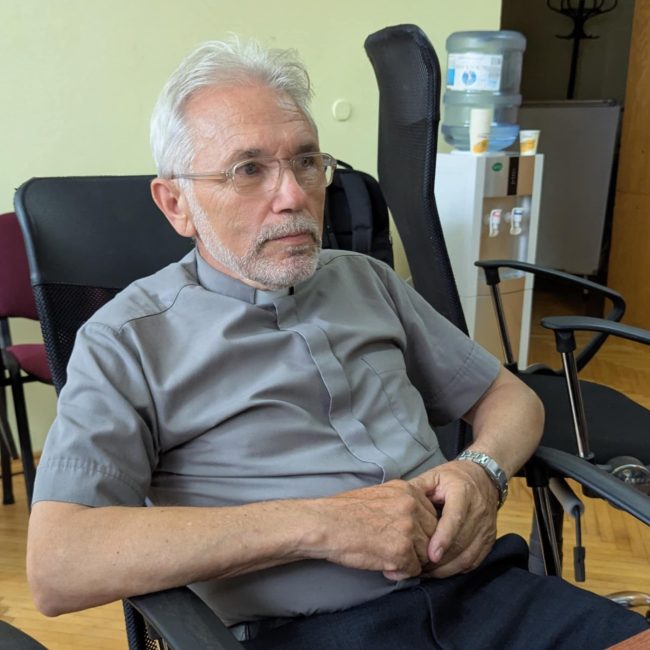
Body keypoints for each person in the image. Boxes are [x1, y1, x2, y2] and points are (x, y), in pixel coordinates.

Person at [26, 38, 648, 649]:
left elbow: (510, 397)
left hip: (483, 593)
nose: (294, 196)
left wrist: (480, 470)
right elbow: (58, 565)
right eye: (249, 170)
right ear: (176, 204)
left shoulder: (367, 280)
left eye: (306, 161)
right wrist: (320, 523)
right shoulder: (126, 340)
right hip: (311, 630)